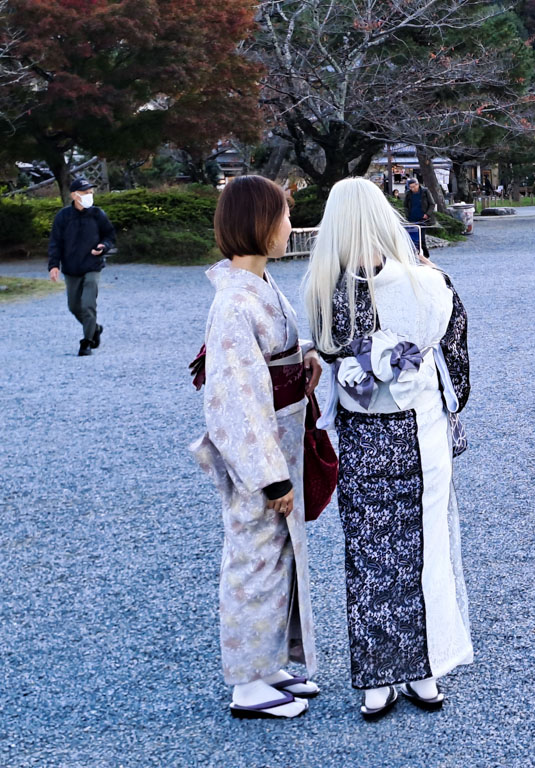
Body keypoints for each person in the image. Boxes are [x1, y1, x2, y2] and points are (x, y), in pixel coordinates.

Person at [305, 177, 473, 719]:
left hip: (362, 437)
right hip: (420, 434)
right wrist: (452, 400)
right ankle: (425, 668)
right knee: (426, 550)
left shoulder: (327, 291)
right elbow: (458, 359)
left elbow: (330, 357)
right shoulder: (429, 282)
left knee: (371, 554)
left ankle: (379, 678)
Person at [190, 175, 322, 719]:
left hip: (281, 439)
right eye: (285, 216)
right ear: (261, 225)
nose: (290, 226)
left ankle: (269, 666)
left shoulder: (258, 287)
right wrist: (270, 477)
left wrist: (305, 356)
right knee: (252, 558)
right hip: (259, 454)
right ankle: (246, 682)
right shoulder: (234, 304)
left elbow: (273, 357)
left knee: (278, 557)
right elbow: (236, 401)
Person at [47, 178, 116, 356]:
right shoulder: (63, 217)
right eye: (85, 193)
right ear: (74, 195)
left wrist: (103, 247)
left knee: (87, 305)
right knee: (74, 306)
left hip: (93, 266)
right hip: (71, 268)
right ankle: (95, 329)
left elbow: (109, 236)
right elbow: (55, 243)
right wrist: (54, 265)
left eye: (91, 193)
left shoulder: (97, 214)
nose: (89, 196)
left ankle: (87, 341)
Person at [403, 178, 435, 258]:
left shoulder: (425, 191)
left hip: (423, 218)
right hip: (412, 218)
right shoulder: (408, 193)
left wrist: (427, 214)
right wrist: (407, 215)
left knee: (421, 239)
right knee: (412, 239)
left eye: (413, 187)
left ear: (417, 184)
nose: (412, 189)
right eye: (410, 187)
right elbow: (405, 206)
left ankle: (425, 255)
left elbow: (432, 204)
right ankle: (413, 255)